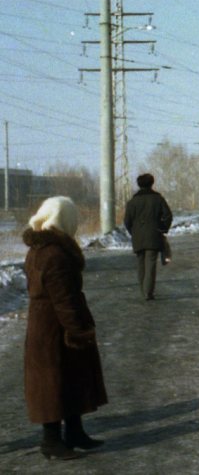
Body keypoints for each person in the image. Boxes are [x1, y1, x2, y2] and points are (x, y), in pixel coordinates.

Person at [22, 196, 108, 460]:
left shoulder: (40, 248)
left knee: (69, 377)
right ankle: (51, 442)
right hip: (55, 326)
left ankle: (74, 432)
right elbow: (63, 298)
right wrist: (77, 330)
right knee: (53, 382)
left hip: (46, 323)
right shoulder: (55, 253)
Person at [123, 173, 174, 300]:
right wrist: (163, 228)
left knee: (141, 264)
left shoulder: (132, 201)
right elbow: (168, 215)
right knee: (150, 264)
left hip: (138, 237)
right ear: (152, 183)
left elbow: (127, 221)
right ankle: (148, 292)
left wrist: (133, 232)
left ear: (139, 184)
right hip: (154, 235)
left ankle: (143, 291)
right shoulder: (158, 199)